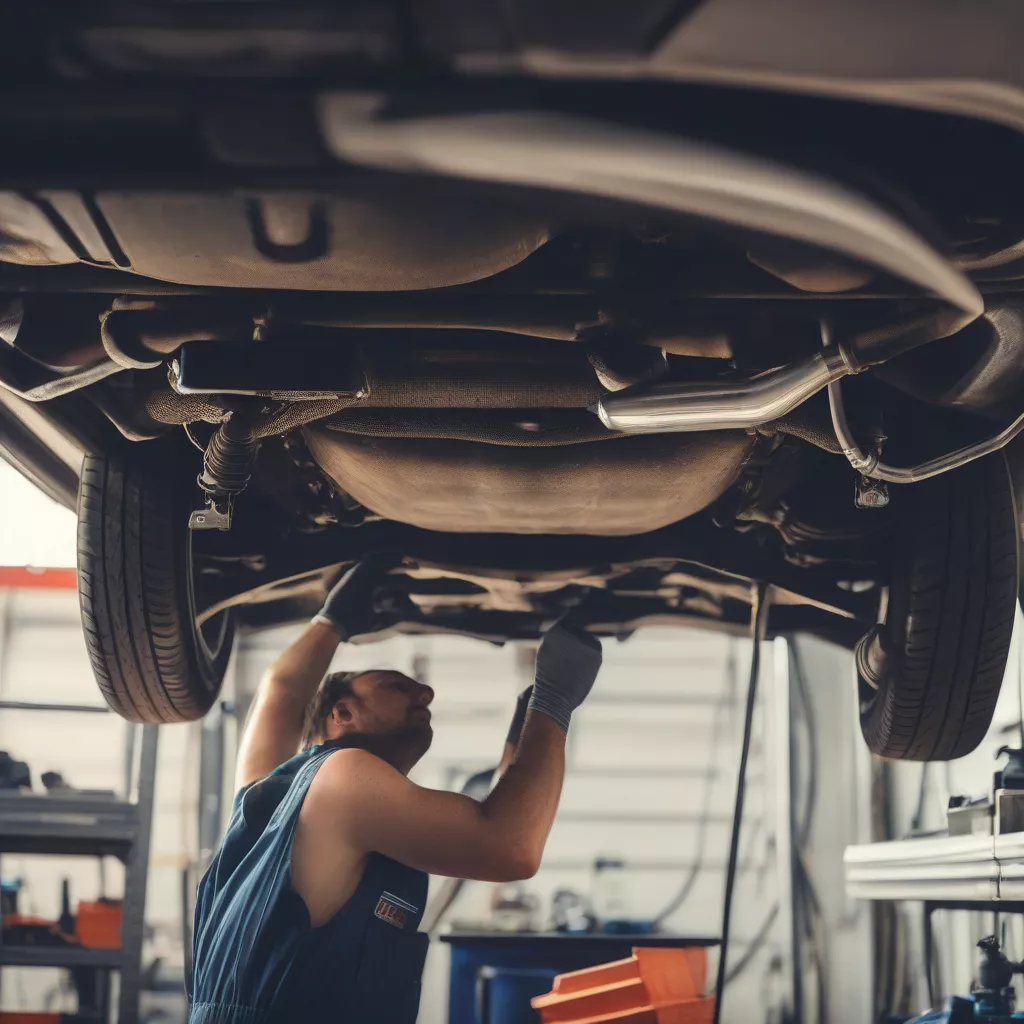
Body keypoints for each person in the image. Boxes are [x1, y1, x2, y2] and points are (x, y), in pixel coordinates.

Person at [187, 553, 603, 1024]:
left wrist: (334, 619)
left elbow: (282, 689)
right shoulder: (343, 777)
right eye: (396, 685)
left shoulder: (280, 796)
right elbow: (511, 847)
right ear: (341, 715)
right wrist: (553, 702)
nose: (424, 695)